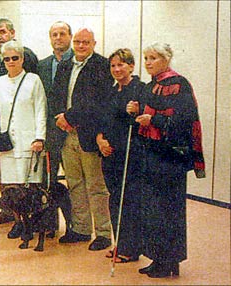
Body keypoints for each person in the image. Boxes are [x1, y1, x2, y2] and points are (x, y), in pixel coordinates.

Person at [132, 42, 205, 278]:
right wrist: (135, 111)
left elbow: (185, 121)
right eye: (146, 58)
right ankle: (159, 258)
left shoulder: (178, 84)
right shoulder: (150, 86)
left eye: (153, 58)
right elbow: (145, 114)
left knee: (169, 211)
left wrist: (153, 121)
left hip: (170, 156)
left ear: (166, 59)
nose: (148, 62)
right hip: (152, 153)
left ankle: (170, 260)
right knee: (153, 209)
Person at [0, 40, 47, 238]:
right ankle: (18, 223)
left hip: (29, 141)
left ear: (22, 59)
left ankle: (33, 225)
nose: (11, 62)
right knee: (11, 188)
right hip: (7, 143)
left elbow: (41, 110)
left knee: (30, 188)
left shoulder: (33, 80)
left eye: (15, 58)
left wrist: (39, 138)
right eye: (6, 59)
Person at [52, 28, 113, 251]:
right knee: (75, 183)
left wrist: (70, 117)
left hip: (89, 134)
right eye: (77, 42)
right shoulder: (65, 65)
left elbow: (96, 102)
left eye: (85, 42)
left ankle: (104, 233)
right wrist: (61, 119)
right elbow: (56, 95)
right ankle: (80, 228)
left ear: (94, 43)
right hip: (66, 134)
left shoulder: (102, 66)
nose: (80, 46)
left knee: (96, 185)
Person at [96, 48, 145, 263]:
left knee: (129, 201)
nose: (116, 69)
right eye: (113, 65)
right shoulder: (110, 90)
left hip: (130, 154)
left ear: (131, 66)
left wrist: (135, 111)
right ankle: (120, 243)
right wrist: (100, 140)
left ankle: (130, 248)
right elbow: (102, 119)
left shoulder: (140, 90)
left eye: (121, 65)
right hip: (109, 153)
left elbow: (141, 119)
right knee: (115, 199)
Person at [38, 21, 74, 235]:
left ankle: (76, 226)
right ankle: (49, 225)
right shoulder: (42, 65)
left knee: (75, 182)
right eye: (54, 34)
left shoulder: (78, 62)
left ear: (69, 36)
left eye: (62, 34)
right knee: (48, 181)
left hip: (72, 129)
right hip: (50, 133)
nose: (58, 37)